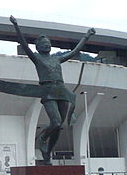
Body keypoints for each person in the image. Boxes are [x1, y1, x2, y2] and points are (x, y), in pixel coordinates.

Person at [9, 15, 95, 162]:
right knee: (55, 122)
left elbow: (74, 52)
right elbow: (24, 45)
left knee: (59, 125)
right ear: (38, 47)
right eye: (44, 44)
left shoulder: (57, 59)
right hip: (48, 92)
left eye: (48, 43)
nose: (47, 45)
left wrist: (86, 36)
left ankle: (48, 152)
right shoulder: (37, 59)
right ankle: (42, 137)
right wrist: (16, 25)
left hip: (61, 91)